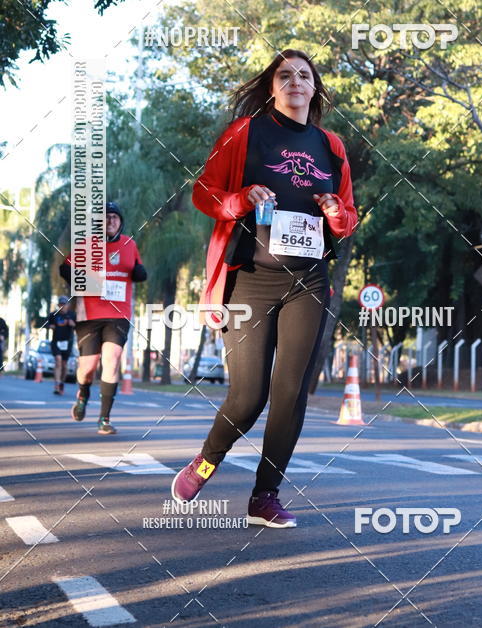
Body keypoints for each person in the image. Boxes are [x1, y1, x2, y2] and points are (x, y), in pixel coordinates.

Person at [171, 49, 357, 527]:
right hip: (249, 281)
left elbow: (347, 219)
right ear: (272, 86)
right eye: (284, 74)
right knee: (247, 396)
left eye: (304, 75)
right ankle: (206, 461)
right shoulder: (245, 133)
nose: (295, 81)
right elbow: (204, 191)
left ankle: (264, 495)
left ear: (314, 88)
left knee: (291, 392)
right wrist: (241, 198)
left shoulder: (331, 146)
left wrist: (334, 210)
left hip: (308, 281)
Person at [59, 201, 147, 435]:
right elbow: (64, 268)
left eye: (114, 217)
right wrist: (82, 279)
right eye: (106, 217)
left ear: (120, 222)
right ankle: (83, 394)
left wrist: (140, 273)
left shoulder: (130, 244)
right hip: (89, 313)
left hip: (118, 313)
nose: (110, 221)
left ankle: (104, 419)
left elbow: (139, 269)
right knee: (87, 367)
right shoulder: (87, 245)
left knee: (112, 358)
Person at [49, 297, 76, 394]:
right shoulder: (53, 315)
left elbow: (77, 326)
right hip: (56, 342)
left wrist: (72, 324)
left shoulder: (72, 315)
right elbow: (49, 324)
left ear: (68, 305)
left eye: (64, 304)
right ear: (58, 305)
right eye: (61, 304)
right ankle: (57, 383)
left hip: (67, 343)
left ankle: (61, 383)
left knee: (64, 365)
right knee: (58, 361)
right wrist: (51, 326)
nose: (62, 306)